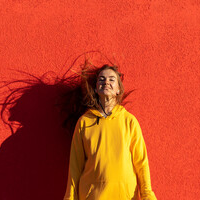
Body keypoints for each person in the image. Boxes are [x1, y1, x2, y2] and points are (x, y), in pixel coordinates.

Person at [63, 64, 157, 200]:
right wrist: (70, 197)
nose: (106, 82)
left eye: (111, 79)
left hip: (125, 196)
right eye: (101, 79)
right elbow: (75, 166)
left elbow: (141, 162)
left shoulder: (129, 121)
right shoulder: (84, 122)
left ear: (118, 89)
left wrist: (147, 194)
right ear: (96, 88)